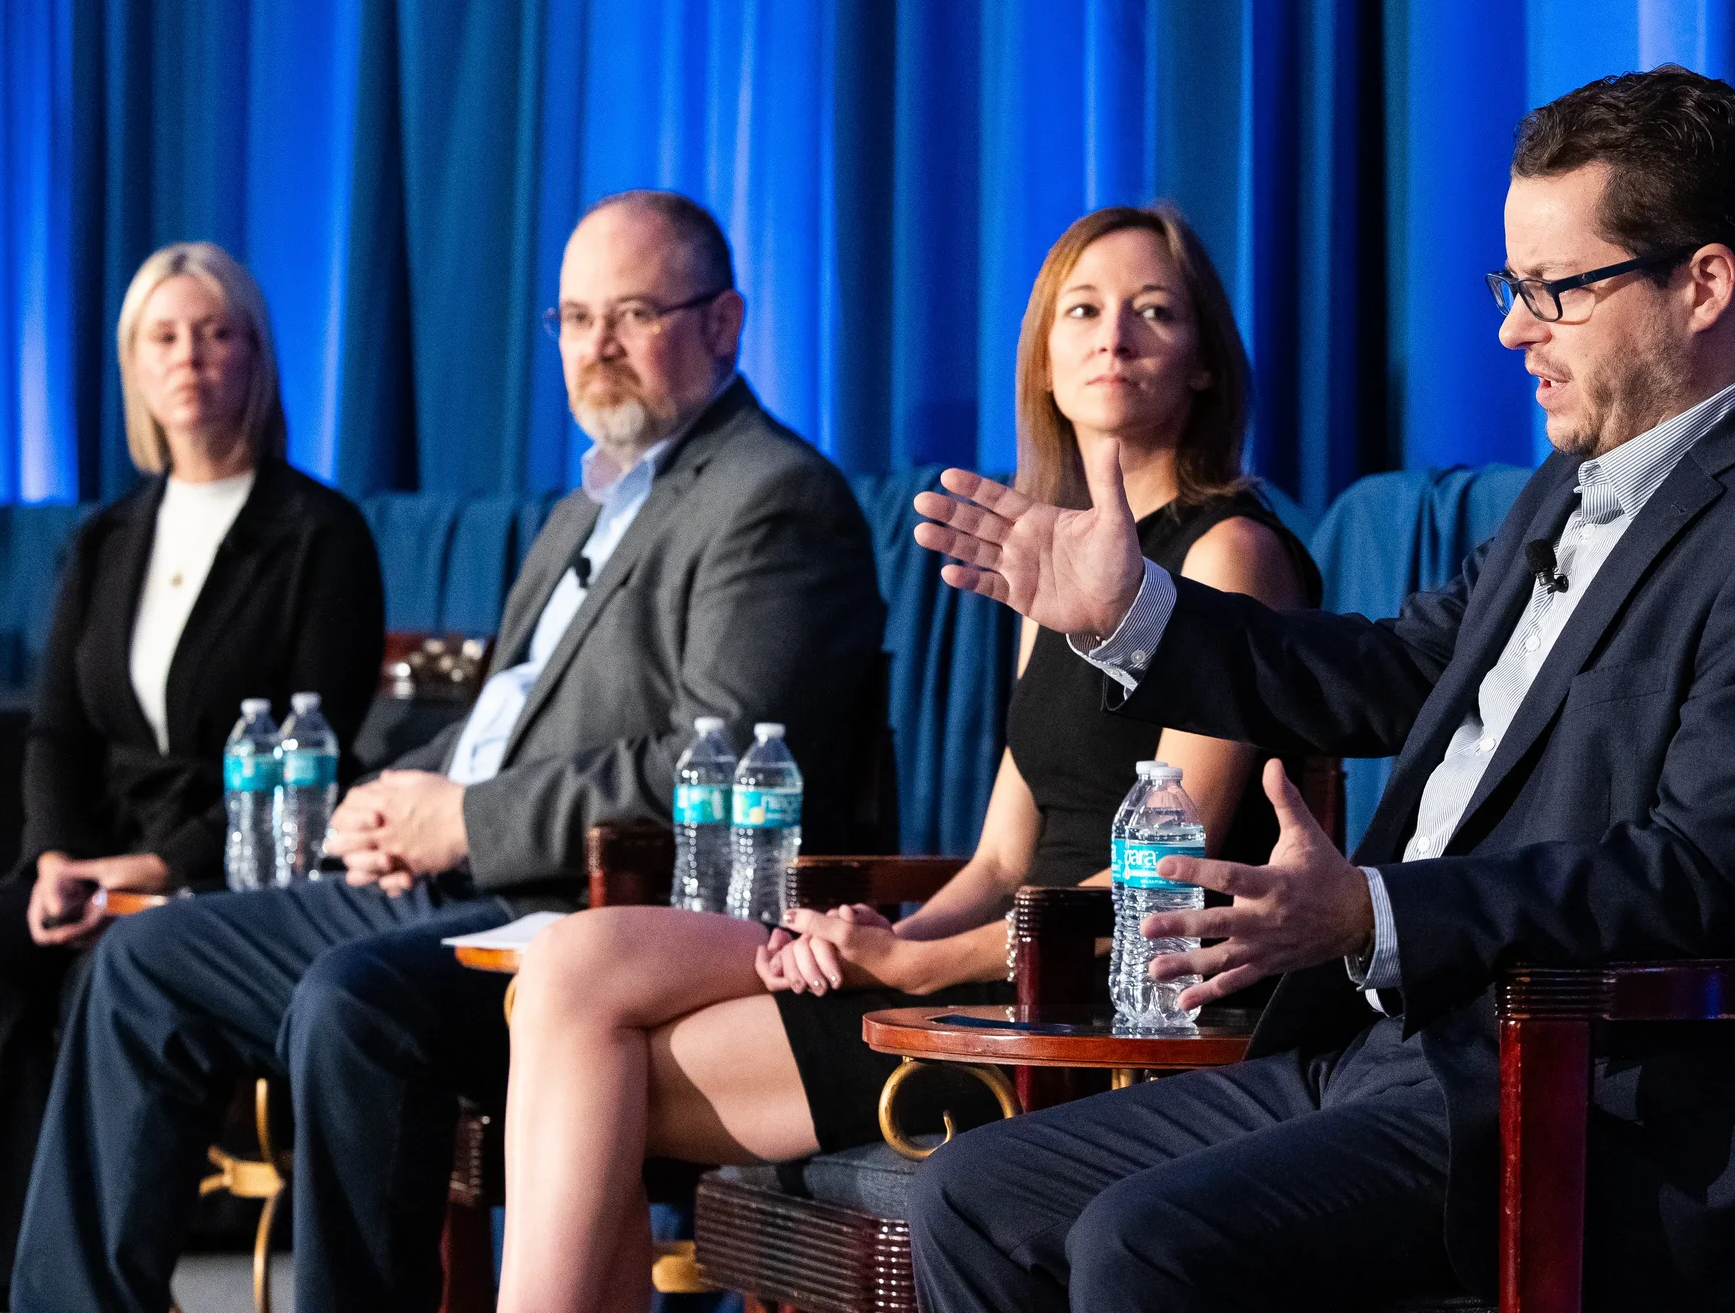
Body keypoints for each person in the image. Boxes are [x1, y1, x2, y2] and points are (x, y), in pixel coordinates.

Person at [906, 68, 1735, 1313]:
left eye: (1555, 290)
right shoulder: (1571, 483)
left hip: (1589, 1097)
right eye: (1513, 288)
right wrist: (1135, 612)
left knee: (1145, 1241)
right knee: (972, 1190)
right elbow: (1392, 668)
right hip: (1389, 1048)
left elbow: (1702, 875)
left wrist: (1372, 911)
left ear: (1704, 283)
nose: (1514, 331)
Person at [8, 191, 887, 1313]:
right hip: (461, 885)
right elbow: (501, 721)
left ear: (723, 322)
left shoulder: (774, 497)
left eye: (631, 314)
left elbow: (708, 764)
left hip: (593, 916)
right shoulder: (586, 505)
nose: (597, 347)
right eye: (574, 319)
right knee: (145, 958)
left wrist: (463, 819)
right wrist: (393, 797)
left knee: (353, 1003)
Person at [495, 206, 1321, 1313]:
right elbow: (998, 860)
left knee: (591, 1076)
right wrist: (878, 939)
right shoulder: (1060, 567)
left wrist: (920, 967)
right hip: (987, 956)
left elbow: (1167, 879)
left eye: (1153, 312)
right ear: (1043, 358)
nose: (1113, 337)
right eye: (1082, 311)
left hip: (1099, 1002)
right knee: (572, 965)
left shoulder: (1230, 553)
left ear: (1206, 362)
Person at [0, 243, 384, 1308]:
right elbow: (56, 732)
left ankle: (103, 1286)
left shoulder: (320, 533)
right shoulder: (107, 536)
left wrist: (161, 866)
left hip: (237, 853)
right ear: (131, 363)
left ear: (258, 356)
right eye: (164, 337)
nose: (190, 358)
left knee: (112, 978)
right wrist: (52, 857)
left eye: (217, 334)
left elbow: (314, 751)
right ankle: (14, 1286)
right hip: (96, 847)